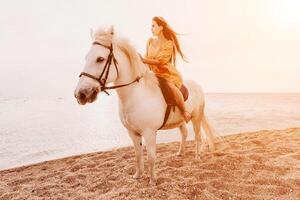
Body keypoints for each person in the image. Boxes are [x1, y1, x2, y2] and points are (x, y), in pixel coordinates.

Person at [140, 16, 191, 123]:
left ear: (161, 27)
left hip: (166, 73)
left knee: (170, 87)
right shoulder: (150, 41)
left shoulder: (169, 43)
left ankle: (184, 111)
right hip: (151, 72)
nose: (151, 28)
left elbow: (161, 61)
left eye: (153, 26)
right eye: (151, 26)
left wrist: (144, 60)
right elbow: (146, 56)